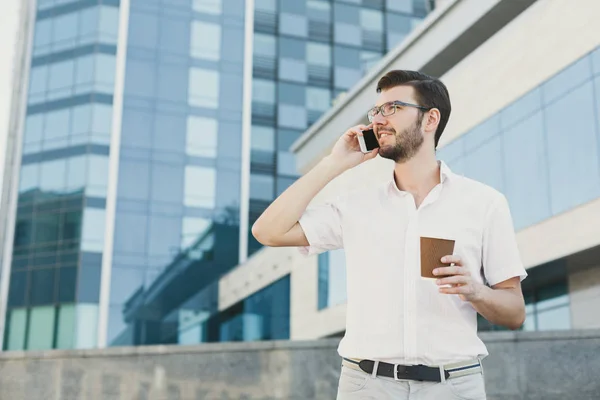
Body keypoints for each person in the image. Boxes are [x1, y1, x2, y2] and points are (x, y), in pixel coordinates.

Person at [252, 70, 527, 400]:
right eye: (376, 111)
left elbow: (514, 311)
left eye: (392, 108)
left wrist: (475, 291)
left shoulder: (485, 204)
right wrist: (333, 164)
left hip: (455, 386)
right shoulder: (356, 207)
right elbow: (268, 231)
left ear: (430, 119)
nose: (379, 120)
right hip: (366, 385)